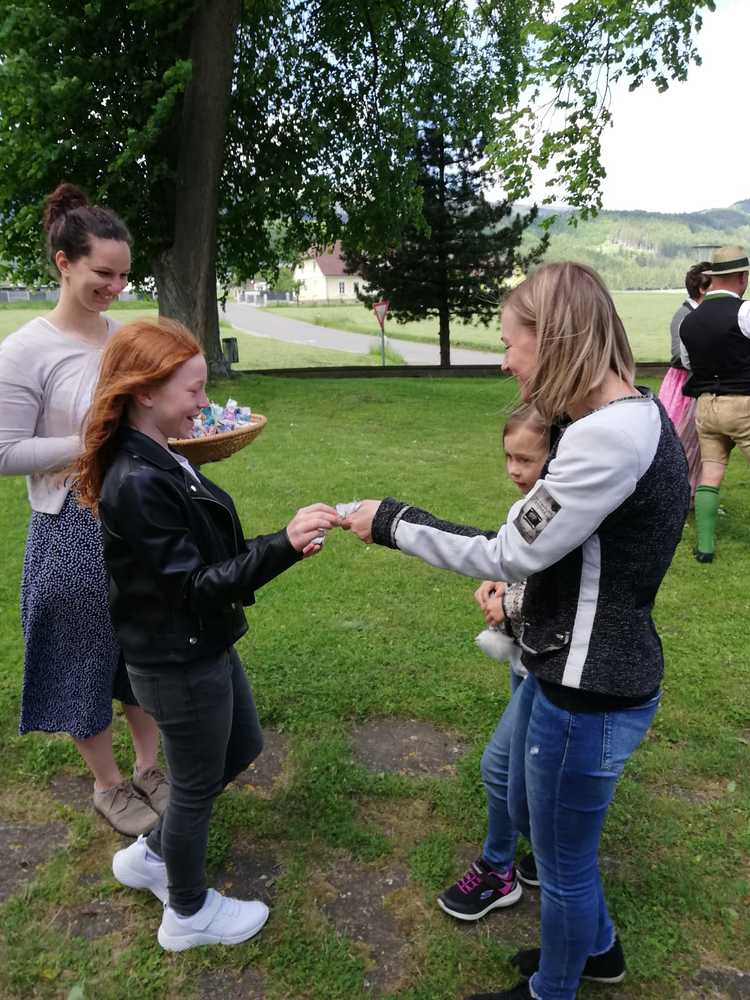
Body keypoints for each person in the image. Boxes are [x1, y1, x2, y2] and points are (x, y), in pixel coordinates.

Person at [344, 262, 689, 1000]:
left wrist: (390, 521)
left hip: (586, 687)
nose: (504, 360)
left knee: (563, 866)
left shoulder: (607, 439)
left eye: (510, 342)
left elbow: (508, 551)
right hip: (570, 667)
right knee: (522, 798)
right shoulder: (622, 418)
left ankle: (552, 990)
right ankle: (598, 950)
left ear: (555, 338)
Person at [73, 317, 341, 952]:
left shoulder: (163, 452)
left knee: (240, 745)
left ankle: (152, 856)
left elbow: (203, 557)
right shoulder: (137, 481)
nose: (204, 402)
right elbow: (193, 587)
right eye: (193, 390)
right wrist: (283, 544)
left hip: (201, 644)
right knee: (194, 786)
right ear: (145, 392)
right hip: (177, 661)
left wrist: (280, 545)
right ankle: (187, 914)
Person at [0, 183, 166, 836]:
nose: (116, 288)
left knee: (142, 645)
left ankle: (151, 766)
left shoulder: (124, 337)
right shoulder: (25, 350)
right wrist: (91, 443)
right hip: (70, 523)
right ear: (64, 263)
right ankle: (108, 784)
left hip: (138, 513)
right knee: (80, 655)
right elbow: (5, 451)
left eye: (124, 276)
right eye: (104, 273)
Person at [438, 404, 550, 922]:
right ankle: (542, 854)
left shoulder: (570, 505)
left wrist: (508, 603)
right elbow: (517, 559)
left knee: (501, 767)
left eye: (525, 459)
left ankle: (499, 869)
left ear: (556, 455)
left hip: (552, 666)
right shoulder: (533, 504)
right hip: (526, 659)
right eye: (508, 457)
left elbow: (561, 587)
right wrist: (501, 582)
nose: (513, 469)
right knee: (529, 765)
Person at [679, 245, 750, 563]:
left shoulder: (689, 321)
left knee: (710, 473)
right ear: (741, 277)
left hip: (706, 406)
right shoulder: (745, 311)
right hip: (743, 404)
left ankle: (705, 547)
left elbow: (688, 363)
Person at [657, 261, 711, 497]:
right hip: (683, 386)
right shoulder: (686, 315)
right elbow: (678, 355)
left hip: (692, 382)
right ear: (702, 289)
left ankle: (692, 494)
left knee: (698, 445)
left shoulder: (697, 313)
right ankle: (675, 496)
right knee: (681, 442)